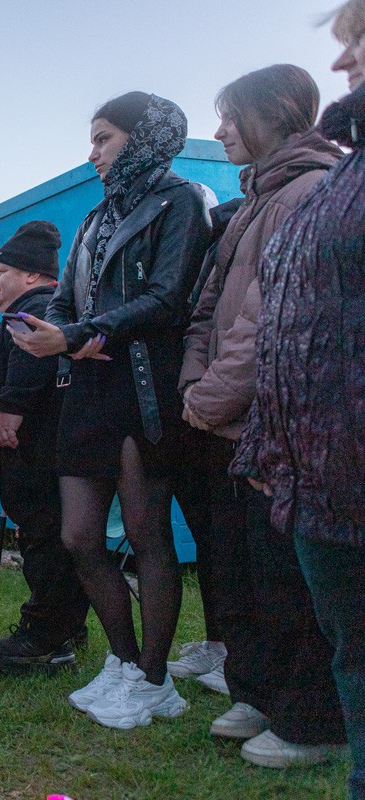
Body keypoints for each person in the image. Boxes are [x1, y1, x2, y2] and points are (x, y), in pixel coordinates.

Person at [12, 92, 212, 728]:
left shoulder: (179, 200)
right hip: (88, 392)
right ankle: (124, 663)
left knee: (149, 537)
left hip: (141, 389)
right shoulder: (97, 218)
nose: (92, 153)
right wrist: (66, 332)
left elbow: (167, 297)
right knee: (79, 536)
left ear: (143, 138)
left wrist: (80, 335)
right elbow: (66, 301)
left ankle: (154, 680)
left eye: (103, 138)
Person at [177, 65, 346, 764]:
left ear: (276, 113)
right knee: (240, 571)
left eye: (229, 117)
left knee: (287, 580)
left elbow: (263, 323)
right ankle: (259, 690)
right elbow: (209, 313)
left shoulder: (305, 190)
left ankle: (313, 721)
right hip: (227, 418)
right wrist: (197, 385)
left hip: (271, 422)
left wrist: (209, 395)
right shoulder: (253, 199)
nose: (217, 133)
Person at [232, 8, 365, 789]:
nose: (343, 56)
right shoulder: (345, 172)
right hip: (323, 476)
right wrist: (269, 443)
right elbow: (285, 316)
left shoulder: (314, 180)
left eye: (361, 34)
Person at [0, 221, 90, 674]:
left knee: (44, 539)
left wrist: (11, 407)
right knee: (48, 538)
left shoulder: (37, 307)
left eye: (1, 271)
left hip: (36, 449)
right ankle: (66, 624)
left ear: (29, 275)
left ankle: (46, 633)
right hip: (40, 449)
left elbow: (30, 355)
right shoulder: (41, 304)